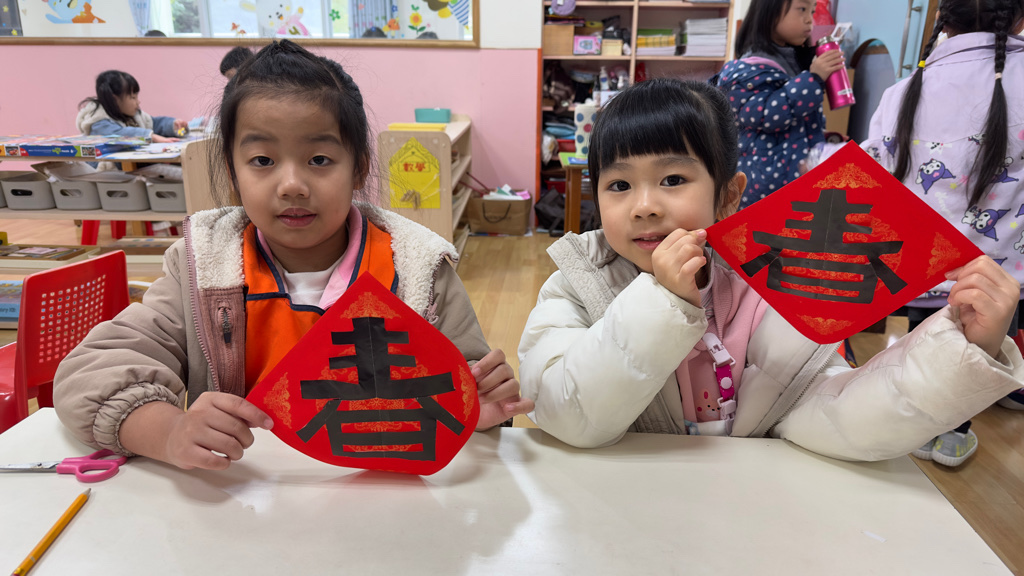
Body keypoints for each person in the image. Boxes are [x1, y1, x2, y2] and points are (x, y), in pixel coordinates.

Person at [53, 40, 533, 471]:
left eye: (319, 160)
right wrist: (169, 431)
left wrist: (480, 411)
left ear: (359, 167)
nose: (292, 185)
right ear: (232, 171)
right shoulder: (203, 270)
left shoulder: (417, 270)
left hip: (383, 500)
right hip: (244, 498)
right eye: (262, 160)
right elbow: (89, 373)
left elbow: (473, 398)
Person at [516, 78, 1024, 461]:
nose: (644, 206)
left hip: (749, 509)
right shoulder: (577, 284)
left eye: (672, 179)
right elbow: (564, 412)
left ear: (728, 196)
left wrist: (962, 349)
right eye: (619, 185)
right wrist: (663, 304)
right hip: (622, 503)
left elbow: (840, 419)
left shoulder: (776, 287)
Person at [860, 0, 1024, 465]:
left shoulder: (904, 90)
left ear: (942, 21)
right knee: (978, 351)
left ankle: (920, 428)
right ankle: (954, 432)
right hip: (1000, 273)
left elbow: (875, 176)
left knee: (926, 348)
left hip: (923, 267)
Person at [715, 0, 845, 209]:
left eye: (812, 11)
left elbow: (794, 119)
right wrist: (813, 79)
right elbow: (768, 114)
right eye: (801, 9)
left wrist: (823, 137)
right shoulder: (746, 70)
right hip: (765, 183)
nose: (809, 20)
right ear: (770, 12)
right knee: (768, 224)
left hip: (794, 175)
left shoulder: (790, 60)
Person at [76, 70, 185, 144]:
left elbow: (154, 123)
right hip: (110, 170)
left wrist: (173, 125)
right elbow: (118, 135)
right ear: (114, 99)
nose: (138, 102)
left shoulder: (134, 115)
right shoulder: (98, 122)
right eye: (133, 97)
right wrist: (151, 136)